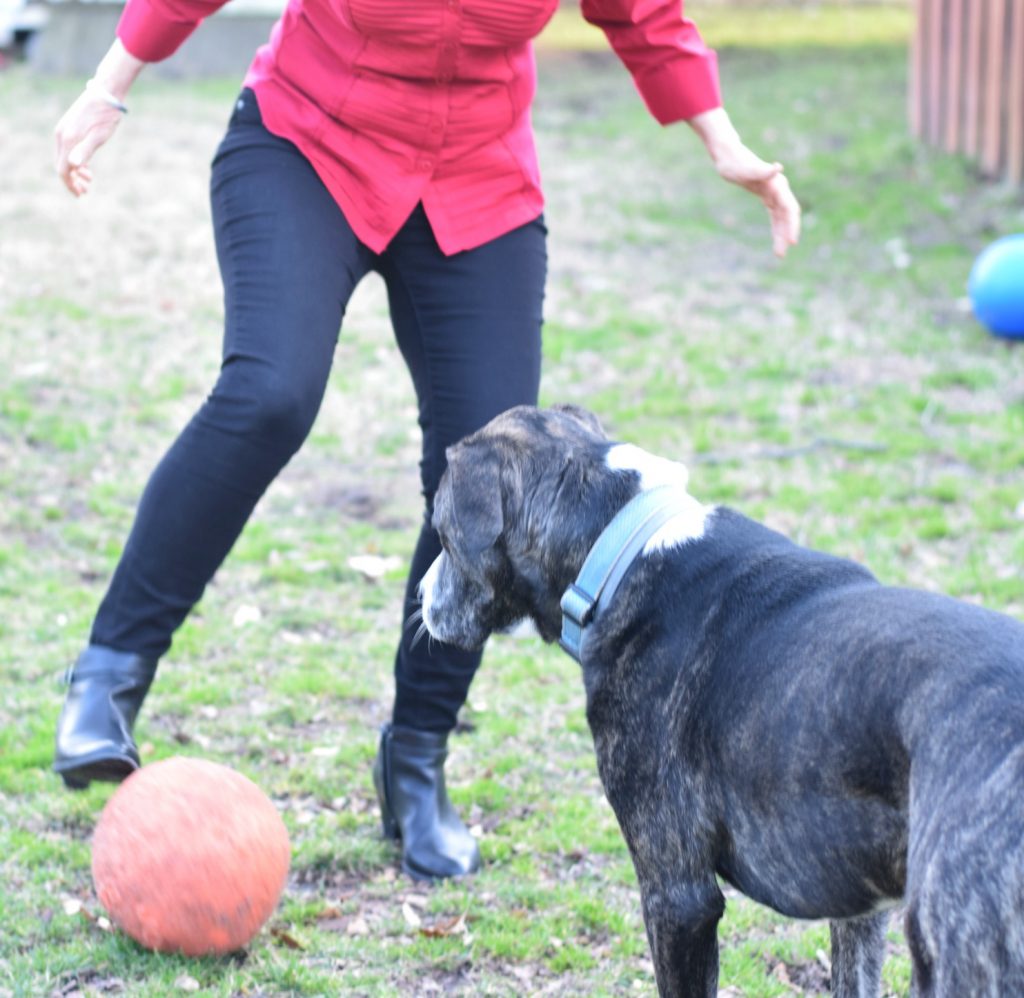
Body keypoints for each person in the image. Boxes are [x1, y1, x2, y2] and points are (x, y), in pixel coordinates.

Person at [52, 0, 801, 881]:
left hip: (475, 179)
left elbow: (642, 12)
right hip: (308, 143)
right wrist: (110, 84)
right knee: (268, 393)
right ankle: (109, 678)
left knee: (495, 479)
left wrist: (719, 138)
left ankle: (415, 758)